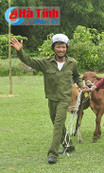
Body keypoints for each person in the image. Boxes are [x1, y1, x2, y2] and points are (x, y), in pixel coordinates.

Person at [10, 34, 88, 164]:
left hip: (65, 98)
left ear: (66, 48)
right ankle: (69, 146)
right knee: (56, 122)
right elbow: (29, 61)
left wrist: (82, 85)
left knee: (58, 124)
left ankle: (53, 153)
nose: (61, 49)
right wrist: (20, 51)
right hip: (51, 98)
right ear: (53, 48)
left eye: (63, 47)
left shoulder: (72, 63)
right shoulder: (46, 62)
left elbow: (77, 77)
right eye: (58, 47)